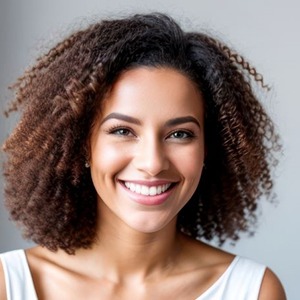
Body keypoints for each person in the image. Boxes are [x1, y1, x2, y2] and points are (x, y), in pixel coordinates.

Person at [0, 13, 286, 299]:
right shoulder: (9, 283)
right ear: (83, 143)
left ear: (207, 148)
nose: (152, 164)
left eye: (180, 134)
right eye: (123, 131)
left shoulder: (253, 291)